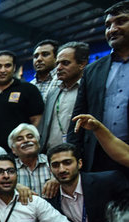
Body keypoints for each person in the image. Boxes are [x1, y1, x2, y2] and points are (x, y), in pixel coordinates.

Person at [68, 1, 129, 172]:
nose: (112, 29)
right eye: (108, 25)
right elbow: (78, 117)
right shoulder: (92, 70)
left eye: (121, 21)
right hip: (97, 157)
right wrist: (73, 156)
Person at [47, 143, 129, 222]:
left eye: (67, 162)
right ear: (50, 169)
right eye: (55, 165)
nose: (61, 169)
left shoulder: (108, 181)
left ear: (79, 163)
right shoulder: (51, 199)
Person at [0, 50, 45, 152]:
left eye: (7, 66)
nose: (3, 70)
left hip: (20, 152)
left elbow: (37, 121)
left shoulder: (28, 89)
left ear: (14, 68)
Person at [38, 42, 89, 152]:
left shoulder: (90, 90)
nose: (59, 68)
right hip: (51, 155)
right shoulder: (53, 93)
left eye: (65, 63)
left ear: (82, 64)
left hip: (79, 154)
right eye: (57, 64)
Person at [8, 123, 57, 197]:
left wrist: (58, 180)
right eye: (20, 139)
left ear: (38, 144)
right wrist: (14, 186)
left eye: (30, 137)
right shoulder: (8, 168)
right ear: (13, 150)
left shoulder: (52, 161)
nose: (26, 140)